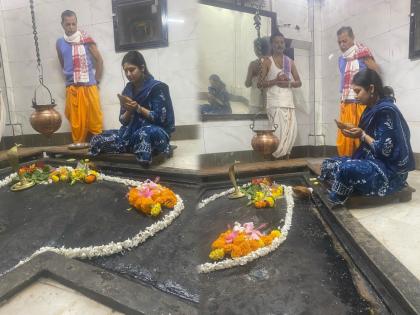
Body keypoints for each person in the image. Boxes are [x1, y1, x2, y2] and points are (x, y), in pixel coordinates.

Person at [319, 69, 415, 206]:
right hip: (371, 160)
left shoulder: (387, 111)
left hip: (388, 170)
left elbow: (384, 151)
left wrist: (362, 135)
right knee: (329, 163)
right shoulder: (370, 109)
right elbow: (368, 138)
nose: (355, 96)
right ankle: (350, 184)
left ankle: (335, 199)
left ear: (371, 88)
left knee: (346, 169)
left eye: (358, 91)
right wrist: (353, 131)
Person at [89, 50, 175, 166]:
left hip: (154, 131)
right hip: (130, 132)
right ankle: (132, 147)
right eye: (125, 71)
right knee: (97, 139)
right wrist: (129, 111)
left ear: (142, 68)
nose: (128, 74)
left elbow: (161, 119)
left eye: (132, 69)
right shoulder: (128, 90)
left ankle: (142, 152)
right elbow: (123, 121)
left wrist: (139, 108)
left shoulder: (157, 88)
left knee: (144, 135)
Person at [56, 10, 103, 144]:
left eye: (73, 24)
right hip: (72, 88)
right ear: (62, 25)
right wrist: (71, 79)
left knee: (95, 121)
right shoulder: (59, 43)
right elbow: (63, 64)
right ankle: (79, 160)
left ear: (77, 23)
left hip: (89, 87)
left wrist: (96, 81)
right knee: (76, 125)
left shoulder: (86, 40)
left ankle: (99, 151)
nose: (71, 27)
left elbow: (100, 61)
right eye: (67, 24)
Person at [336, 26, 379, 156]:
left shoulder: (363, 53)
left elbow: (375, 72)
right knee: (345, 136)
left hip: (361, 103)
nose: (342, 45)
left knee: (361, 133)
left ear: (352, 38)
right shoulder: (341, 59)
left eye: (345, 41)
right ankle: (348, 162)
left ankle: (363, 162)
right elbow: (345, 82)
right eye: (340, 42)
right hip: (346, 102)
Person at [259, 31, 302, 159]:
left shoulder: (289, 62)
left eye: (282, 42)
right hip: (274, 104)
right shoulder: (267, 61)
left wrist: (288, 84)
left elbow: (299, 82)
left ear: (285, 44)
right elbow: (260, 84)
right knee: (277, 133)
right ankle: (276, 161)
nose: (280, 45)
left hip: (288, 103)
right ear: (272, 45)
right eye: (276, 42)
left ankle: (286, 161)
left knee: (290, 133)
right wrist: (276, 81)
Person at [245, 37, 270, 114]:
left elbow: (247, 84)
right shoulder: (271, 62)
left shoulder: (253, 64)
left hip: (255, 102)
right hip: (268, 101)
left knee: (254, 124)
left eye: (254, 47)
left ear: (257, 49)